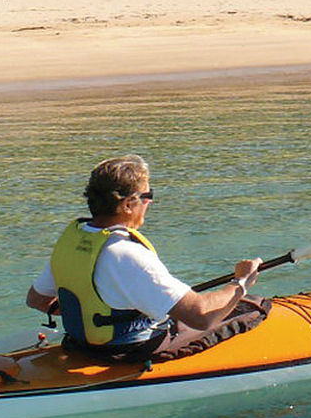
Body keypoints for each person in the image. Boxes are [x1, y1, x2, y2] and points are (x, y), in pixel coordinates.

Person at [26, 155, 271, 362]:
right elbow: (201, 316)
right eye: (147, 194)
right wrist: (241, 282)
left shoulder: (74, 242)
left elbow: (37, 299)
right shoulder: (127, 253)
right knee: (252, 308)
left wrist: (85, 315)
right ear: (128, 205)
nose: (150, 201)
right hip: (128, 352)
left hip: (80, 345)